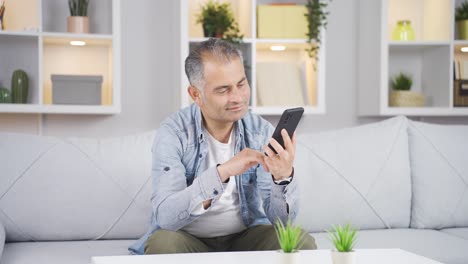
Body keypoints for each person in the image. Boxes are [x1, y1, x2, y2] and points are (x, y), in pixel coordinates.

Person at [129, 38, 316, 255]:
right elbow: (167, 218)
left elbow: (282, 222)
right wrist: (223, 172)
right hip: (188, 238)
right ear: (196, 94)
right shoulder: (173, 132)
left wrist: (282, 178)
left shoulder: (260, 131)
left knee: (300, 242)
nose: (237, 97)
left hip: (245, 236)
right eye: (223, 90)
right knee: (163, 244)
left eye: (241, 84)